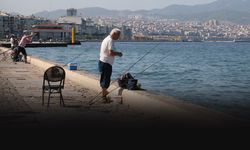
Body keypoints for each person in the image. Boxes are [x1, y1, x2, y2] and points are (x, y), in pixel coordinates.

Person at [99, 28, 123, 102]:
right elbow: (111, 53)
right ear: (114, 34)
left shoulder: (107, 38)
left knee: (104, 79)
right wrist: (119, 53)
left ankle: (104, 96)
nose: (118, 37)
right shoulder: (110, 40)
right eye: (118, 35)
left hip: (102, 62)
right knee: (106, 80)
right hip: (106, 63)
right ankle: (103, 97)